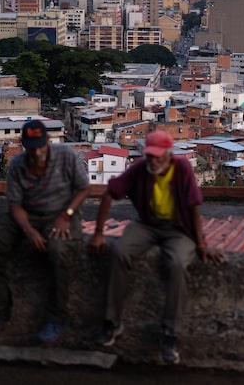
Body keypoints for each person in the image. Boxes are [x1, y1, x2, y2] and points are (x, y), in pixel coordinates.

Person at [87, 130, 224, 364]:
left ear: (168, 155)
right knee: (120, 252)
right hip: (147, 224)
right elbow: (110, 194)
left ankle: (170, 333)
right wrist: (98, 233)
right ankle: (112, 322)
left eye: (158, 156)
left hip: (178, 228)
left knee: (178, 264)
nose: (153, 161)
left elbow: (193, 207)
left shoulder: (181, 169)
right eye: (150, 156)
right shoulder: (140, 168)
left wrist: (201, 243)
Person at [0, 119, 89, 343]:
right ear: (25, 147)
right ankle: (0, 309)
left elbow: (83, 189)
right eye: (32, 148)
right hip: (28, 213)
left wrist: (67, 215)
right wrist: (28, 230)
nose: (37, 152)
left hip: (61, 212)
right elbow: (15, 204)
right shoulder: (18, 164)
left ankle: (57, 316)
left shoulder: (66, 156)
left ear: (48, 142)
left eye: (41, 146)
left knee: (59, 251)